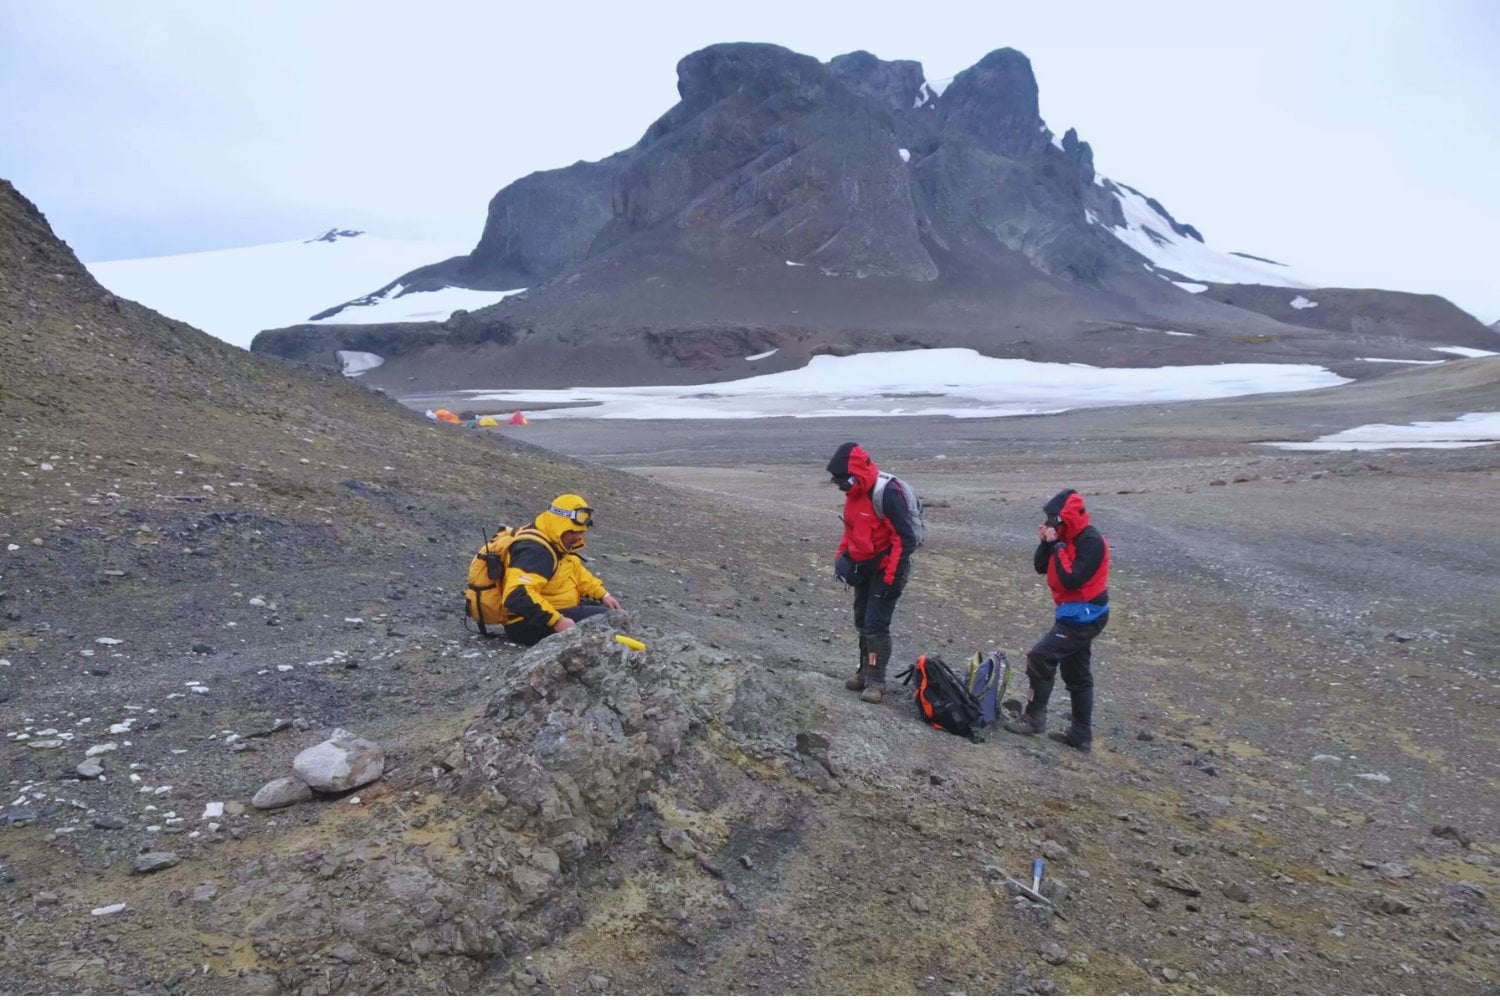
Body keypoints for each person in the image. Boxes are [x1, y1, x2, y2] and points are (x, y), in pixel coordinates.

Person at [1004, 489, 1110, 751]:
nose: (1052, 523)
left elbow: (1072, 578)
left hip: (1086, 614)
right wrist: (1046, 543)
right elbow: (1041, 566)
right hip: (1071, 612)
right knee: (1077, 672)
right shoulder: (1066, 537)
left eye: (1054, 519)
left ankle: (1034, 718)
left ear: (1066, 518)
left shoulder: (1091, 541)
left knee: (1041, 656)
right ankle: (1081, 735)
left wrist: (1058, 546)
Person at [826, 442, 918, 704]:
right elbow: (851, 529)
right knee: (862, 621)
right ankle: (864, 672)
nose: (841, 488)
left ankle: (877, 681)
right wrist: (842, 558)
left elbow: (904, 539)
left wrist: (891, 578)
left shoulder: (885, 494)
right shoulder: (854, 494)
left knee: (876, 625)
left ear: (854, 475)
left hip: (887, 569)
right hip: (863, 568)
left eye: (842, 482)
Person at [500, 493, 622, 646]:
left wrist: (603, 595)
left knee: (607, 610)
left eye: (581, 532)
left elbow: (577, 572)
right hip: (526, 624)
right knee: (606, 618)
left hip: (549, 611)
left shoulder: (556, 541)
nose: (578, 536)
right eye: (573, 531)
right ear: (560, 524)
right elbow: (517, 595)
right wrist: (557, 621)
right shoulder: (536, 550)